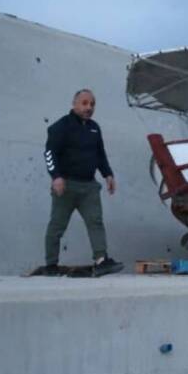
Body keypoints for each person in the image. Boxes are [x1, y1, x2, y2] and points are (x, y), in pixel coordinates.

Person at [41, 89, 123, 276]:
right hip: (66, 186)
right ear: (74, 104)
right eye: (84, 103)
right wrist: (56, 177)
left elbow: (100, 153)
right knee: (57, 225)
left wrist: (108, 174)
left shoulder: (94, 128)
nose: (89, 107)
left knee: (95, 222)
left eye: (92, 104)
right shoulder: (61, 126)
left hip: (89, 187)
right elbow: (49, 152)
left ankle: (101, 260)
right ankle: (51, 264)